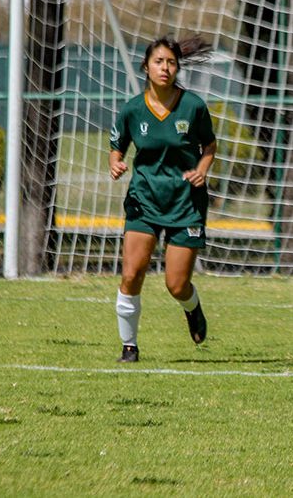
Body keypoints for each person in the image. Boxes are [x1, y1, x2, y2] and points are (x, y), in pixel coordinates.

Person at [108, 37, 217, 363]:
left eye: (170, 62)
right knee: (131, 274)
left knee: (176, 284)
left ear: (177, 66)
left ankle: (192, 308)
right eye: (158, 62)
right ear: (146, 66)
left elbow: (209, 147)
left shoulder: (193, 107)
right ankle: (129, 346)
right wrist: (115, 162)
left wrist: (201, 169)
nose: (165, 68)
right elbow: (118, 146)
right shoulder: (132, 109)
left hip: (185, 203)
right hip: (145, 200)